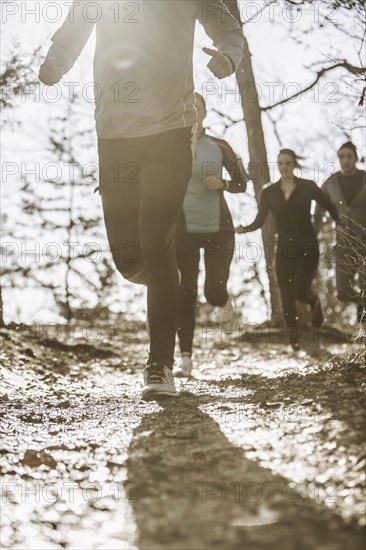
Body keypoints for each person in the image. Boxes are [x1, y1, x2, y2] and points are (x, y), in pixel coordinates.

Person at [39, 1, 244, 400]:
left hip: (170, 131)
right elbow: (74, 28)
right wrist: (56, 62)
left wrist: (229, 58)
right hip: (114, 136)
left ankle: (159, 364)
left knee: (153, 241)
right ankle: (168, 278)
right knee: (129, 259)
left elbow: (230, 31)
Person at [236, 149, 341, 351]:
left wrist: (338, 222)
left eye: (288, 162)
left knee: (300, 291)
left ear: (294, 164)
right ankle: (293, 339)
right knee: (285, 294)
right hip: (284, 248)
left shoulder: (307, 187)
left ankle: (314, 302)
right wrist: (244, 228)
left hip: (307, 247)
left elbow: (328, 205)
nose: (284, 166)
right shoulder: (269, 192)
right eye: (281, 163)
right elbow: (260, 220)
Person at [175, 93, 248, 377]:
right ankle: (185, 359)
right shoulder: (172, 147)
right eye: (188, 106)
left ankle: (224, 302)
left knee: (213, 292)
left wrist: (224, 183)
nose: (193, 111)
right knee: (186, 293)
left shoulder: (220, 146)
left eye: (198, 106)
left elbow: (242, 183)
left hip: (219, 230)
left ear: (205, 112)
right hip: (184, 230)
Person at [314, 142, 366, 326]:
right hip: (343, 243)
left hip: (365, 241)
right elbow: (319, 210)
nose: (345, 160)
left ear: (355, 157)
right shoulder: (330, 182)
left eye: (349, 156)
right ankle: (361, 304)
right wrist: (316, 233)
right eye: (341, 156)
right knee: (343, 291)